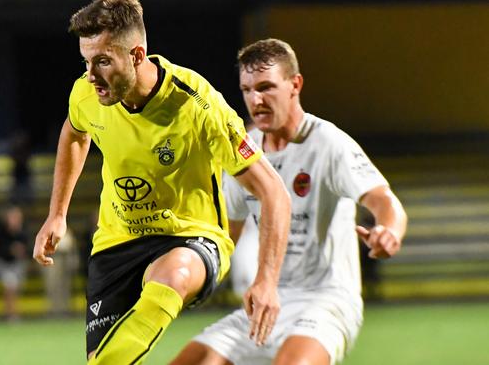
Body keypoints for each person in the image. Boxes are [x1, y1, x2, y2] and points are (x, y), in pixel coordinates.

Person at [32, 0, 291, 364]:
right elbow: (75, 133)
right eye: (85, 62)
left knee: (174, 274)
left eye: (103, 61)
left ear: (137, 55)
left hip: (190, 236)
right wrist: (57, 213)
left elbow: (274, 193)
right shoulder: (86, 94)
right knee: (107, 360)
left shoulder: (198, 105)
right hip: (117, 240)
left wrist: (266, 281)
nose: (91, 75)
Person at [171, 38, 408, 365]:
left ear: (295, 84)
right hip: (263, 303)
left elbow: (383, 199)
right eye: (247, 89)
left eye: (266, 87)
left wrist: (389, 230)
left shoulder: (327, 143)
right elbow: (228, 234)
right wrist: (184, 277)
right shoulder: (245, 152)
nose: (256, 100)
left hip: (325, 301)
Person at [0, 205, 30, 320]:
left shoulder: (23, 232)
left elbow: (28, 250)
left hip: (17, 265)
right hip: (3, 265)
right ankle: (10, 313)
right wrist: (11, 249)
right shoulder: (0, 231)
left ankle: (11, 312)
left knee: (14, 287)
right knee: (10, 284)